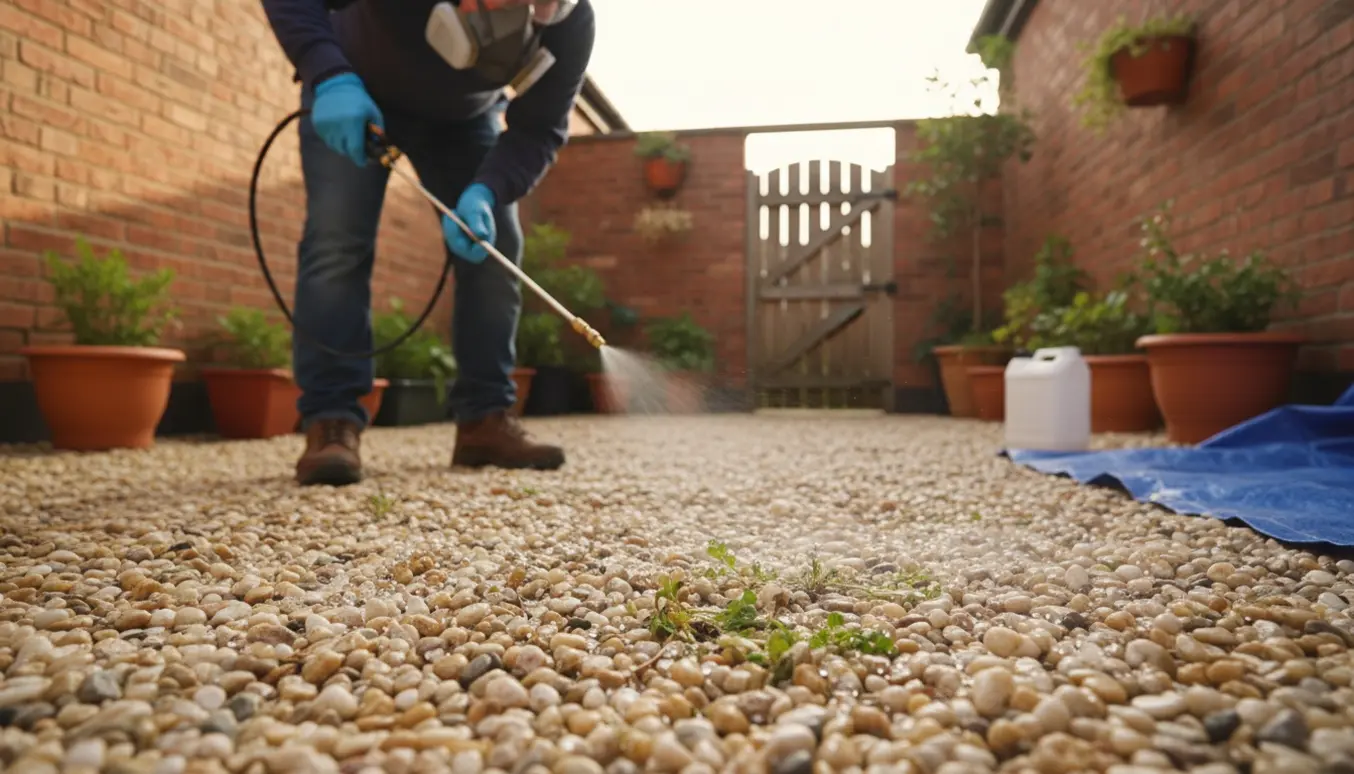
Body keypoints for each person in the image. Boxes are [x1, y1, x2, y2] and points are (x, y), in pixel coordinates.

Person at [260, 0, 594, 486]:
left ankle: (484, 420)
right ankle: (331, 421)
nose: (530, 12)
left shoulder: (571, 22)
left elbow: (541, 128)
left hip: (466, 121)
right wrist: (325, 70)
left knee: (495, 250)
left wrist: (489, 189)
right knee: (337, 245)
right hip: (353, 89)